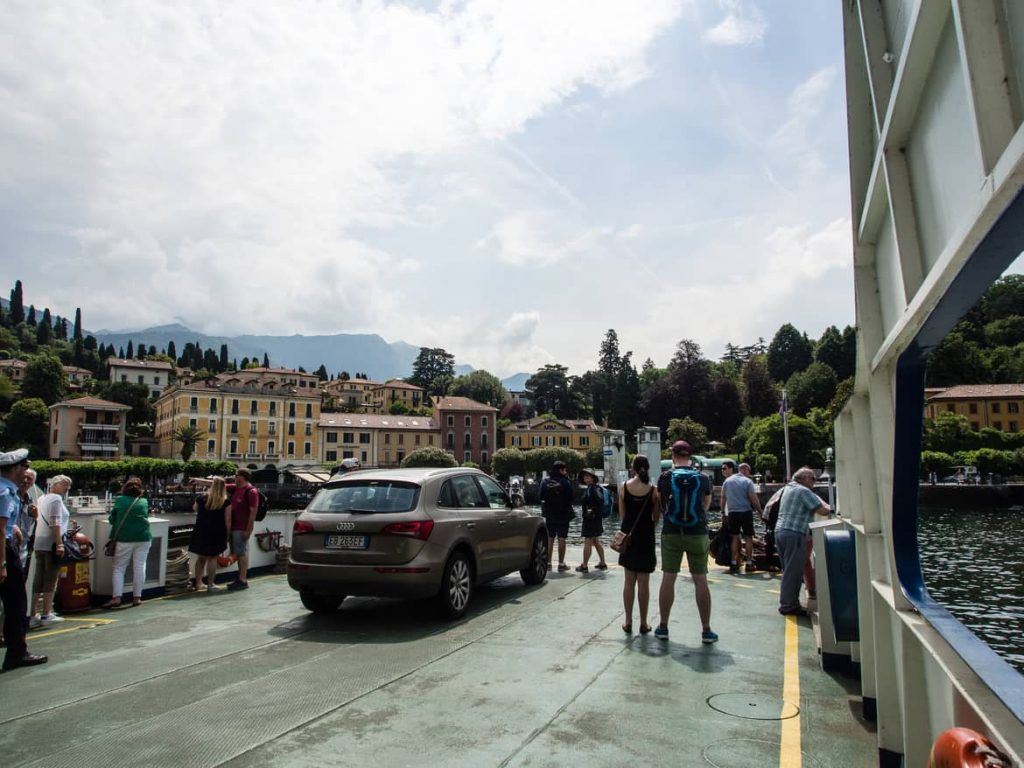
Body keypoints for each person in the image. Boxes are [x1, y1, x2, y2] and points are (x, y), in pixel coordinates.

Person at [656, 440, 717, 644]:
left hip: (671, 531)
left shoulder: (665, 477)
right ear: (690, 456)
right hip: (697, 532)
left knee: (668, 578)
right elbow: (706, 505)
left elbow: (661, 504)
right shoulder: (702, 478)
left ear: (673, 456)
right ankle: (706, 630)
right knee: (700, 580)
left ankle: (663, 626)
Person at [0, 449, 47, 670]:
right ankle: (17, 653)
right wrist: (2, 563)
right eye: (24, 467)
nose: (26, 472)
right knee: (16, 604)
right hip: (6, 552)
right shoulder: (6, 492)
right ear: (16, 468)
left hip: (8, 546)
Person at [775, 467, 831, 616]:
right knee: (793, 571)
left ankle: (789, 603)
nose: (815, 482)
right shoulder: (803, 491)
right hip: (794, 533)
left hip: (781, 531)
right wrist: (830, 507)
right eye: (813, 479)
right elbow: (823, 510)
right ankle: (788, 606)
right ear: (804, 478)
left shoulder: (788, 488)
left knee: (788, 570)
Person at [617, 456, 659, 633]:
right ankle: (643, 622)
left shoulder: (624, 488)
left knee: (628, 581)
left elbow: (622, 516)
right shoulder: (653, 490)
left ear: (632, 468)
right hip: (646, 537)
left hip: (628, 537)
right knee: (644, 582)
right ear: (648, 468)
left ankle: (628, 621)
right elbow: (656, 518)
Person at [29, 474, 73, 628]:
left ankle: (33, 614)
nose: (67, 487)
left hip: (39, 542)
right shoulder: (56, 499)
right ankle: (47, 612)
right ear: (54, 485)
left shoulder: (42, 498)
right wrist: (59, 543)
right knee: (51, 578)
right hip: (51, 543)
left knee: (38, 578)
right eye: (64, 484)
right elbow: (55, 522)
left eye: (68, 485)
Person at [104, 477, 151, 609]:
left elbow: (112, 519)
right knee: (140, 566)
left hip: (124, 539)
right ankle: (137, 597)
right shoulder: (143, 501)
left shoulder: (120, 500)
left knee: (119, 568)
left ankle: (117, 597)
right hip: (143, 537)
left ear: (125, 488)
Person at [721, 459, 763, 574]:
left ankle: (734, 562)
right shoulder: (747, 482)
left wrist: (722, 513)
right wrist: (760, 511)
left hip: (732, 513)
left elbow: (723, 498)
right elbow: (753, 498)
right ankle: (749, 562)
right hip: (745, 512)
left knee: (734, 537)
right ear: (746, 470)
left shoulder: (727, 481)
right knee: (748, 537)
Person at [189, 477, 230, 592]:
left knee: (201, 558)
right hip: (217, 531)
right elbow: (228, 521)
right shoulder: (225, 501)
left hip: (201, 530)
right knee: (213, 558)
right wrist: (228, 535)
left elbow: (194, 508)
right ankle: (211, 584)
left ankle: (198, 583)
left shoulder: (201, 498)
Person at [538, 460, 574, 572]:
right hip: (563, 515)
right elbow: (571, 497)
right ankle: (561, 564)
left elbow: (540, 496)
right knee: (562, 538)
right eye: (565, 470)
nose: (566, 472)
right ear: (561, 470)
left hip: (549, 515)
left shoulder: (545, 481)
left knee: (550, 538)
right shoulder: (565, 482)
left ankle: (548, 563)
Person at [227, 468, 259, 590]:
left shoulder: (251, 492)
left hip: (241, 527)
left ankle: (242, 579)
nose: (234, 478)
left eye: (236, 476)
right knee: (239, 553)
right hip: (235, 527)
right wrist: (198, 481)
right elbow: (219, 484)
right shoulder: (236, 488)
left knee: (242, 553)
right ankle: (241, 577)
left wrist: (248, 530)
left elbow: (253, 513)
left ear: (242, 477)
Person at [576, 469, 607, 573]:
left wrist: (591, 510)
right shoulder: (594, 488)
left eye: (588, 476)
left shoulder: (592, 488)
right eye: (585, 477)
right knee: (596, 541)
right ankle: (602, 563)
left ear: (593, 478)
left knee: (588, 542)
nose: (586, 478)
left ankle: (584, 566)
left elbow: (600, 500)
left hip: (590, 520)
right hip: (596, 519)